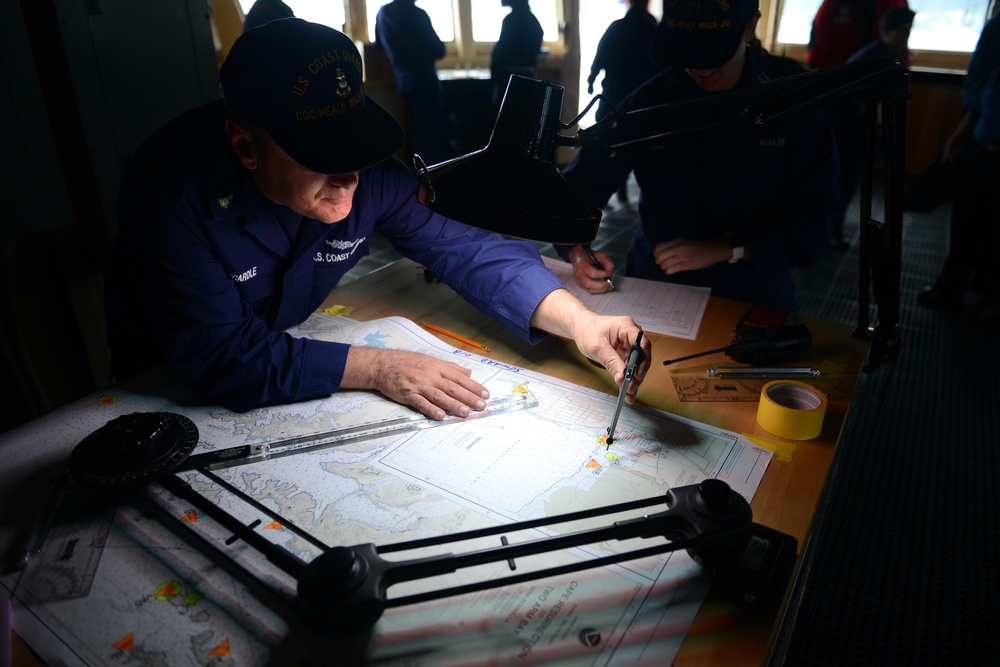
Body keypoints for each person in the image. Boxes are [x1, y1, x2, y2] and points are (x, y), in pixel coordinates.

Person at [104, 18, 650, 418]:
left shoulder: (372, 175)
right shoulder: (171, 192)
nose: (350, 176)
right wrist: (377, 369)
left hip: (289, 354)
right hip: (164, 389)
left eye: (355, 146)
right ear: (246, 147)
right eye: (321, 154)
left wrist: (582, 324)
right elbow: (220, 355)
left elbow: (470, 249)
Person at [557, 0, 839, 313]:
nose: (697, 66)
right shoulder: (652, 100)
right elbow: (575, 190)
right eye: (685, 50)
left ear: (750, 27)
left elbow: (816, 221)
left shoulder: (793, 102)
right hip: (657, 283)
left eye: (711, 51)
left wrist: (729, 248)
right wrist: (576, 251)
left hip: (752, 291)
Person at [917, 12, 1000, 321]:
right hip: (981, 150)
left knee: (992, 229)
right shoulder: (996, 35)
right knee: (966, 223)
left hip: (985, 150)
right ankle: (952, 288)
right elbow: (981, 99)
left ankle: (986, 292)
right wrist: (954, 140)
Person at [826, 6, 916, 250]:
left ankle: (832, 230)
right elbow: (866, 103)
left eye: (909, 31)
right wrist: (879, 129)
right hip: (848, 132)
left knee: (846, 184)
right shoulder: (871, 59)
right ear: (885, 31)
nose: (906, 37)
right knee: (842, 184)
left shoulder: (888, 56)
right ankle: (829, 233)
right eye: (902, 31)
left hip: (856, 131)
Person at [375, 0, 447, 165]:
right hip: (426, 83)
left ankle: (417, 186)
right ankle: (429, 187)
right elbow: (439, 50)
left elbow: (379, 45)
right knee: (429, 143)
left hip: (404, 83)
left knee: (414, 141)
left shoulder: (382, 14)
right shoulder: (417, 14)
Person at [586, 0, 660, 122]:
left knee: (605, 129)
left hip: (614, 93)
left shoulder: (617, 27)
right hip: (644, 97)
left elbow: (601, 55)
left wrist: (592, 78)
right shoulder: (653, 31)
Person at [805, 0, 910, 71]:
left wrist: (904, 66)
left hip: (878, 72)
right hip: (835, 76)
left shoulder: (895, 3)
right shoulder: (833, 4)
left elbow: (902, 38)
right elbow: (819, 35)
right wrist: (813, 65)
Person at [490, 0, 544, 110]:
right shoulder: (532, 20)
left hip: (510, 80)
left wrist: (495, 76)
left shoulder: (511, 20)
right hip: (529, 77)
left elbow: (501, 52)